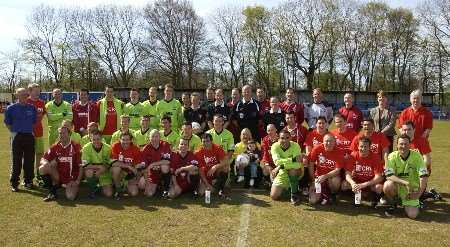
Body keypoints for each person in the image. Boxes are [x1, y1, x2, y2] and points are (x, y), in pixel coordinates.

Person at [383, 134, 429, 219]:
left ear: (410, 145)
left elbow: (424, 176)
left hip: (412, 189)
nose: (403, 146)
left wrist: (418, 194)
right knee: (387, 185)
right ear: (397, 145)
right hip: (397, 186)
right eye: (401, 144)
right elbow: (388, 175)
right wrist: (405, 183)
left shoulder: (417, 156)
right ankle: (394, 204)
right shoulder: (392, 156)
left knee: (413, 215)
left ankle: (416, 202)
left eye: (406, 144)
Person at [400, 121, 441, 203]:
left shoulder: (422, 141)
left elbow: (427, 160)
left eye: (409, 129)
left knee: (417, 197)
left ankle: (431, 194)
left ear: (414, 130)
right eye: (404, 130)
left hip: (420, 171)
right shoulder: (401, 142)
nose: (406, 132)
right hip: (407, 171)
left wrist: (416, 171)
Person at [4, 88, 37, 191]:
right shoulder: (11, 108)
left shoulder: (32, 108)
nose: (24, 96)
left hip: (29, 136)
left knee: (29, 160)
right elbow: (7, 123)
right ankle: (14, 183)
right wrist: (15, 132)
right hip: (16, 136)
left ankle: (28, 181)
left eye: (26, 94)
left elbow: (33, 122)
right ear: (16, 95)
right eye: (22, 94)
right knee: (16, 160)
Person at [39, 126, 82, 201]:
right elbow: (43, 159)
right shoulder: (55, 146)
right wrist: (46, 163)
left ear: (69, 134)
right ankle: (52, 192)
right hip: (59, 176)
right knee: (42, 168)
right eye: (60, 133)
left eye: (64, 133)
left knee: (70, 197)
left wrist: (77, 181)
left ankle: (70, 187)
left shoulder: (76, 146)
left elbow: (81, 166)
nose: (62, 135)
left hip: (71, 179)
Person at [341, 136, 384, 206]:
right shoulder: (353, 155)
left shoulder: (375, 157)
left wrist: (364, 184)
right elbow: (347, 174)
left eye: (366, 147)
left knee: (378, 187)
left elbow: (379, 177)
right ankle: (353, 197)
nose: (363, 149)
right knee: (344, 185)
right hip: (357, 181)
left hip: (370, 183)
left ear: (370, 147)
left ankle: (374, 199)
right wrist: (352, 183)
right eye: (361, 146)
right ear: (358, 146)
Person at [308, 134, 345, 205]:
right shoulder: (317, 148)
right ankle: (323, 195)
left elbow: (338, 170)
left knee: (336, 180)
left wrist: (325, 176)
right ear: (323, 141)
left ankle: (333, 194)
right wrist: (313, 180)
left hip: (331, 177)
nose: (328, 143)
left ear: (335, 142)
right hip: (318, 178)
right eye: (326, 141)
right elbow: (311, 164)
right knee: (312, 201)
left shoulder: (339, 151)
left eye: (331, 141)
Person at [270, 130, 303, 205]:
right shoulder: (275, 146)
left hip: (297, 171)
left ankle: (294, 194)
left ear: (290, 138)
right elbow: (277, 162)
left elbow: (297, 165)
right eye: (282, 138)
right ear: (278, 138)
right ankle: (289, 189)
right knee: (274, 196)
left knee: (292, 170)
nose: (284, 140)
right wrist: (293, 159)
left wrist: (280, 166)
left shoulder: (295, 145)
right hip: (282, 172)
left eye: (287, 138)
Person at [110, 132, 145, 199]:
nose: (125, 142)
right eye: (123, 139)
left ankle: (124, 185)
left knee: (134, 193)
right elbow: (113, 163)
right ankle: (118, 189)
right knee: (116, 168)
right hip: (119, 172)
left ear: (131, 140)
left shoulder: (135, 149)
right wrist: (129, 166)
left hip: (129, 174)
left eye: (127, 140)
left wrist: (136, 178)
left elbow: (138, 166)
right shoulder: (115, 146)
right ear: (120, 139)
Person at [195, 133, 230, 199]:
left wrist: (215, 167)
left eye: (207, 141)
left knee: (225, 168)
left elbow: (226, 161)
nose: (205, 143)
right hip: (206, 175)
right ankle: (215, 188)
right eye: (203, 141)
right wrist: (207, 184)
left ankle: (220, 188)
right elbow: (200, 170)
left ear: (211, 141)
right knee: (201, 193)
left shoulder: (217, 148)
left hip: (215, 173)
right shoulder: (198, 152)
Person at [81, 130, 113, 198]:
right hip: (93, 171)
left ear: (101, 138)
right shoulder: (86, 148)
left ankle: (100, 187)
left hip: (104, 173)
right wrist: (99, 167)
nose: (96, 141)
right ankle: (94, 187)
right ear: (91, 139)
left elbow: (109, 164)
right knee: (88, 171)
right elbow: (85, 165)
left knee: (109, 194)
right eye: (94, 139)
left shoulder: (108, 148)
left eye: (98, 139)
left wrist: (102, 169)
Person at [141, 129, 172, 198]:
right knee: (144, 189)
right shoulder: (145, 148)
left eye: (156, 136)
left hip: (162, 171)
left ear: (160, 137)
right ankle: (157, 186)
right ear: (149, 138)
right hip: (151, 174)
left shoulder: (165, 144)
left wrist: (153, 164)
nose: (154, 139)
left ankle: (166, 188)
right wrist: (148, 184)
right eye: (152, 136)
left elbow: (167, 161)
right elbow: (143, 168)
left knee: (165, 166)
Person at [26, 83, 46, 178]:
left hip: (39, 133)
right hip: (28, 134)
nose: (38, 92)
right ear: (30, 91)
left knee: (39, 153)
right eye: (35, 91)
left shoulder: (42, 103)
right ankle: (28, 176)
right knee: (28, 155)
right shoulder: (25, 102)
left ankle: (38, 173)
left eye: (39, 91)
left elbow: (46, 114)